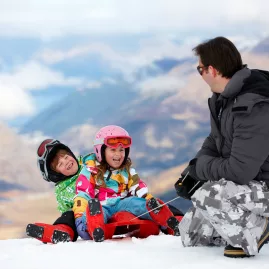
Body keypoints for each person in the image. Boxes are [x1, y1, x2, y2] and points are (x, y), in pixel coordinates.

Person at [175, 36, 269, 258]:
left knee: (209, 195)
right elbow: (214, 141)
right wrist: (193, 170)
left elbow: (240, 171)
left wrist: (201, 171)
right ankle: (244, 227)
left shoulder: (253, 107)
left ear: (212, 70)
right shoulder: (224, 99)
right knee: (193, 237)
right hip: (252, 186)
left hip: (263, 185)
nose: (199, 75)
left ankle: (257, 229)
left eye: (200, 69)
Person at [73, 125, 181, 242]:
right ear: (101, 151)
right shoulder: (91, 170)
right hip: (101, 206)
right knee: (97, 211)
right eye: (113, 150)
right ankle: (95, 227)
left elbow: (138, 187)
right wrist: (79, 216)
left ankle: (160, 215)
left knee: (134, 202)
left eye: (121, 150)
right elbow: (83, 194)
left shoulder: (128, 171)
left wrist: (148, 200)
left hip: (122, 203)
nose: (118, 155)